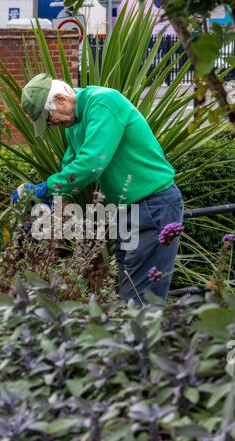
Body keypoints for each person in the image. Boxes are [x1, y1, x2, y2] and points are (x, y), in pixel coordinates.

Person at [12, 73, 184, 304]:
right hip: (128, 211)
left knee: (142, 303)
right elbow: (71, 165)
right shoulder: (74, 121)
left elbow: (93, 162)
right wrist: (49, 199)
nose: (52, 126)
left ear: (62, 99)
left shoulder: (104, 102)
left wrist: (46, 187)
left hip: (154, 207)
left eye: (49, 119)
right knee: (130, 296)